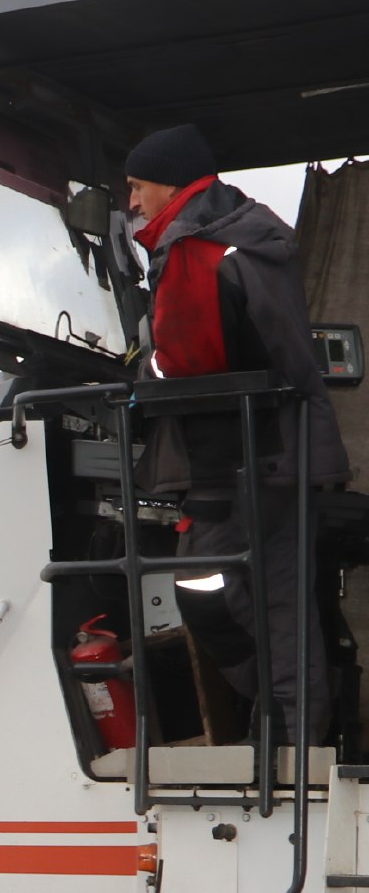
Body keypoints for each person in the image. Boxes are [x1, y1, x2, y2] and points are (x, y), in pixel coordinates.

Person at [129, 123, 347, 745]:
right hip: (280, 450)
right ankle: (292, 727)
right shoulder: (248, 235)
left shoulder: (197, 247)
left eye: (138, 186)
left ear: (169, 182)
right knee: (282, 602)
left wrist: (139, 369)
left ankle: (279, 725)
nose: (134, 202)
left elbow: (184, 365)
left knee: (202, 590)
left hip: (227, 460)